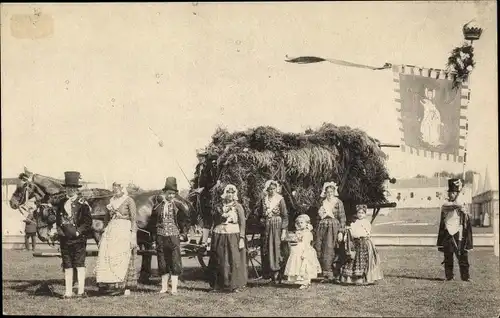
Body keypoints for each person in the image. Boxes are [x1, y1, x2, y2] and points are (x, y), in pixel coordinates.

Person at [50, 171, 93, 298]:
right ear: (66, 189)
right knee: (67, 265)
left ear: (77, 189)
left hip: (79, 239)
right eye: (68, 188)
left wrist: (79, 231)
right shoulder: (61, 203)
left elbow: (87, 222)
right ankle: (68, 292)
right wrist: (60, 233)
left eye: (73, 188)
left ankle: (80, 291)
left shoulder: (82, 204)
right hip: (65, 239)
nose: (70, 190)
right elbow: (58, 221)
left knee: (79, 264)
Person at [95, 182, 138, 296]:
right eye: (114, 188)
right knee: (108, 254)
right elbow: (106, 218)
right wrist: (104, 231)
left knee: (122, 255)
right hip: (112, 229)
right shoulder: (111, 201)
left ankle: (123, 286)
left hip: (124, 229)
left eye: (118, 188)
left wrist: (133, 235)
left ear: (122, 189)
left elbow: (134, 219)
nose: (116, 190)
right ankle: (109, 285)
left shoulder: (129, 200)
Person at [207, 184, 247, 292]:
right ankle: (217, 285)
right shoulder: (219, 206)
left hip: (233, 234)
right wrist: (220, 216)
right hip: (219, 234)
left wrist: (242, 238)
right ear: (225, 193)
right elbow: (214, 220)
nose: (230, 195)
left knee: (233, 259)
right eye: (228, 192)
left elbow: (242, 222)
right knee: (219, 258)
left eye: (232, 193)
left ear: (235, 195)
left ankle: (234, 286)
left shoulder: (238, 207)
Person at [152, 177, 184, 294]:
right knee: (162, 260)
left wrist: (183, 232)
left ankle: (174, 288)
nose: (171, 196)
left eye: (173, 194)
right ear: (164, 193)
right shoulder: (158, 206)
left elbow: (184, 220)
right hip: (161, 236)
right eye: (169, 193)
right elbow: (153, 222)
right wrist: (154, 237)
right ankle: (164, 287)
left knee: (175, 260)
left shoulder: (178, 206)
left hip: (174, 237)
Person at [437, 178, 473, 281]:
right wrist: (458, 204)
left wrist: (463, 210)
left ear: (456, 193)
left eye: (453, 193)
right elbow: (450, 206)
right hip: (448, 232)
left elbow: (465, 213)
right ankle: (449, 277)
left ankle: (465, 277)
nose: (450, 195)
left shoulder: (461, 203)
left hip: (458, 231)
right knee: (448, 255)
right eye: (450, 192)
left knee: (462, 255)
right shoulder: (446, 203)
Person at [339, 204, 383, 285]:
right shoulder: (354, 223)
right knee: (353, 259)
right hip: (356, 243)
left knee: (363, 260)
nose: (360, 214)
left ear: (365, 214)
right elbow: (352, 233)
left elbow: (366, 233)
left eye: (362, 213)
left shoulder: (366, 223)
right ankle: (351, 278)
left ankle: (363, 278)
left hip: (364, 242)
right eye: (359, 213)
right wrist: (348, 231)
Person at [255, 180, 289, 283]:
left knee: (276, 248)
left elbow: (285, 216)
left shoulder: (280, 200)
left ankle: (277, 272)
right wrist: (262, 220)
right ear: (267, 190)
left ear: (276, 189)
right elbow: (260, 214)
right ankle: (269, 272)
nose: (272, 191)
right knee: (267, 248)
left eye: (274, 189)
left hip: (277, 226)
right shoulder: (264, 200)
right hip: (267, 226)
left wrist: (283, 230)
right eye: (270, 189)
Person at [313, 181, 346, 282]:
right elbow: (318, 217)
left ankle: (333, 273)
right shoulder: (322, 202)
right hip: (322, 227)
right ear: (325, 192)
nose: (329, 194)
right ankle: (324, 274)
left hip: (333, 227)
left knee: (331, 248)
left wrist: (341, 231)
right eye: (327, 192)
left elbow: (342, 217)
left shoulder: (338, 202)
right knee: (321, 248)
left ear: (334, 192)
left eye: (331, 192)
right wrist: (316, 229)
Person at [284, 214, 321, 289]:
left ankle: (306, 281)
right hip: (298, 250)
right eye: (299, 223)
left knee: (305, 266)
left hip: (305, 250)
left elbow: (307, 244)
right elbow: (296, 240)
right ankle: (300, 280)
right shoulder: (299, 232)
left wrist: (305, 253)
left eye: (302, 223)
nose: (300, 224)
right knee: (298, 265)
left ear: (306, 223)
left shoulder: (307, 233)